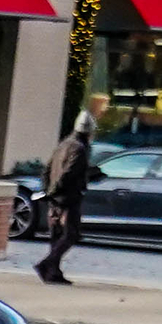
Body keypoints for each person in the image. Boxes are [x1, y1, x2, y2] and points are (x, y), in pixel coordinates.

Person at [36, 111, 95, 284]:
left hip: (56, 198)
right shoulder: (79, 148)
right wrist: (54, 190)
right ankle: (46, 264)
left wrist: (48, 190)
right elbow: (69, 173)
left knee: (57, 235)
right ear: (89, 131)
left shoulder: (63, 144)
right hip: (68, 198)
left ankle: (53, 272)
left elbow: (47, 170)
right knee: (71, 234)